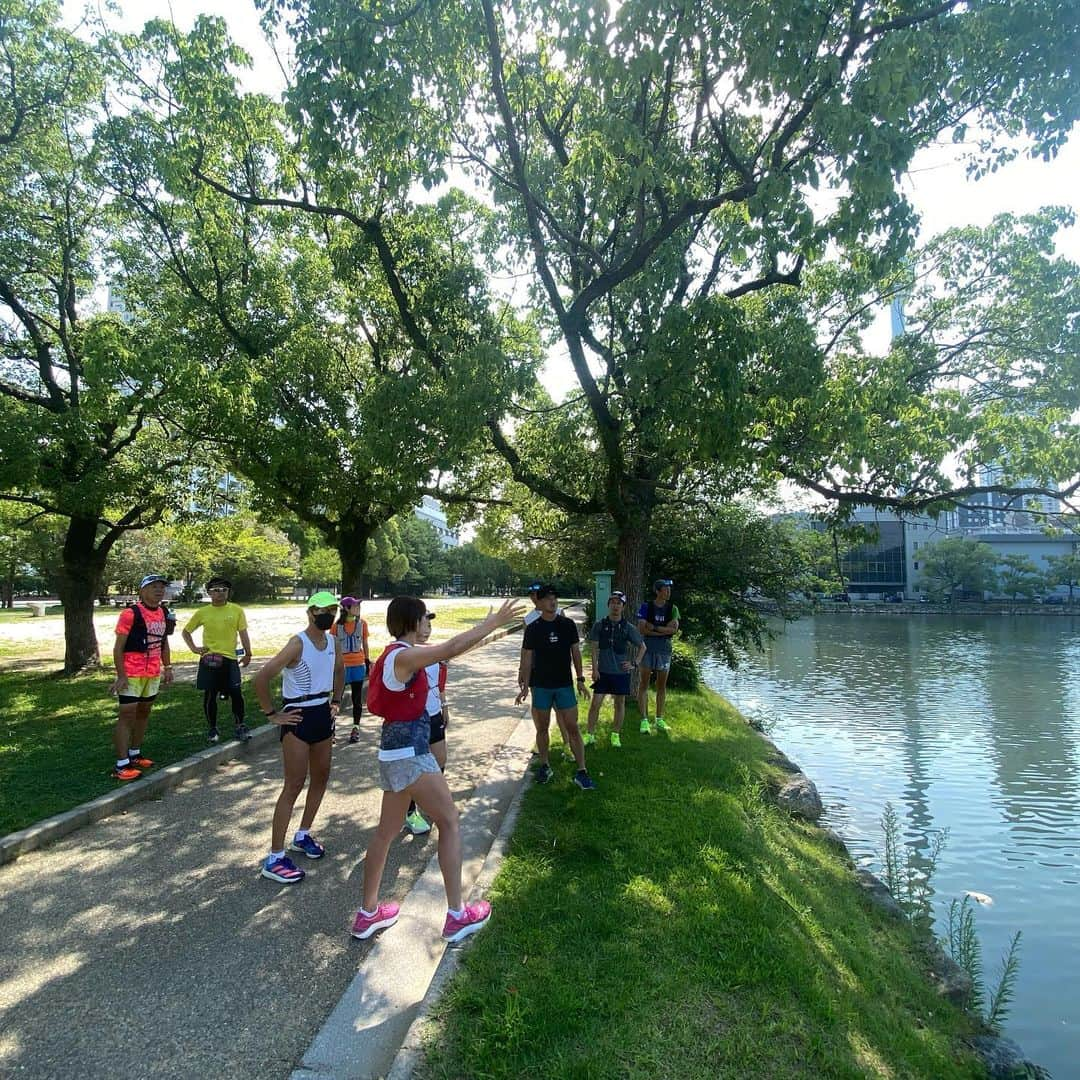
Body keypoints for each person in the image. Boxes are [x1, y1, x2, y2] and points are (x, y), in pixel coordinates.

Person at [351, 595, 525, 942]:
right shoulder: (405, 654)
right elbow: (450, 648)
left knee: (385, 833)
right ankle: (457, 915)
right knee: (449, 821)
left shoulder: (392, 654)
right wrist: (492, 623)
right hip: (411, 754)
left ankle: (368, 914)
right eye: (422, 618)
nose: (426, 623)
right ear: (411, 621)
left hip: (393, 753)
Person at [253, 591, 345, 885]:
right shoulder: (298, 643)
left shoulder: (333, 641)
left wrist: (337, 701)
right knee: (293, 784)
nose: (327, 614)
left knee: (321, 778)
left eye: (332, 609)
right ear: (309, 613)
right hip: (297, 717)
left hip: (322, 713)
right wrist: (272, 714)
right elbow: (262, 677)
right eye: (321, 610)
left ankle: (302, 835)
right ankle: (275, 857)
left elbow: (340, 670)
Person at [515, 585, 597, 790]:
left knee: (573, 727)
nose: (553, 601)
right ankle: (544, 765)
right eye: (548, 598)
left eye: (555, 598)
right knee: (542, 728)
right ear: (539, 603)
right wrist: (524, 685)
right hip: (541, 685)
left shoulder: (567, 624)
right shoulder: (533, 628)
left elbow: (576, 653)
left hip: (563, 685)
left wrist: (580, 678)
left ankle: (582, 771)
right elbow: (526, 657)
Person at [109, 574, 176, 780]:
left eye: (161, 587)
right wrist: (121, 675)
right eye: (154, 586)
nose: (159, 590)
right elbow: (118, 647)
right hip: (132, 672)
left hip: (153, 672)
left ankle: (135, 753)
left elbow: (164, 642)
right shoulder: (130, 613)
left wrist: (168, 667)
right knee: (127, 713)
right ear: (143, 590)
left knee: (144, 712)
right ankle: (121, 765)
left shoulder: (164, 613)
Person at [181, 576, 252, 744]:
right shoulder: (203, 612)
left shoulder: (236, 610)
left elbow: (243, 633)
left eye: (224, 590)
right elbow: (186, 632)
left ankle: (240, 725)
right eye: (216, 590)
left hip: (230, 658)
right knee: (210, 694)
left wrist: (248, 653)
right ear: (209, 592)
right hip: (210, 659)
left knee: (236, 693)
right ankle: (212, 728)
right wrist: (195, 649)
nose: (220, 593)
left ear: (228, 592)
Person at [403, 609, 448, 836]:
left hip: (434, 713)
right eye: (423, 624)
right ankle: (410, 812)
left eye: (429, 625)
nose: (427, 629)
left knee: (439, 759)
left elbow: (439, 683)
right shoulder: (405, 654)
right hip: (413, 719)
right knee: (414, 767)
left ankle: (429, 801)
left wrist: (444, 706)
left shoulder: (434, 653)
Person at [584, 591, 646, 748]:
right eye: (613, 602)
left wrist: (634, 663)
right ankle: (590, 734)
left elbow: (642, 647)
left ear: (623, 607)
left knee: (619, 704)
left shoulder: (628, 628)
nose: (615, 606)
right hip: (603, 672)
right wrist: (595, 668)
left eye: (619, 603)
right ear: (608, 605)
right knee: (595, 703)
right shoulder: (599, 625)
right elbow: (593, 647)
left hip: (620, 673)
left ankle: (615, 735)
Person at [636, 578, 680, 733]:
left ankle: (659, 719)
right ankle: (644, 720)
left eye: (669, 590)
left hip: (664, 651)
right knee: (644, 684)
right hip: (647, 649)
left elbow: (673, 630)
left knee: (661, 686)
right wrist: (663, 629)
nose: (668, 592)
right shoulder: (646, 607)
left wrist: (654, 627)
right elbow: (642, 629)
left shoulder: (672, 608)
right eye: (665, 589)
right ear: (658, 591)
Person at [334, 596, 370, 744]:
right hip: (342, 667)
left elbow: (366, 643)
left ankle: (355, 728)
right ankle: (331, 730)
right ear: (346, 608)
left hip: (358, 665)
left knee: (357, 699)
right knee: (336, 699)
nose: (358, 608)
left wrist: (367, 661)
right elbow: (332, 647)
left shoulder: (362, 624)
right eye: (354, 606)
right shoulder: (335, 627)